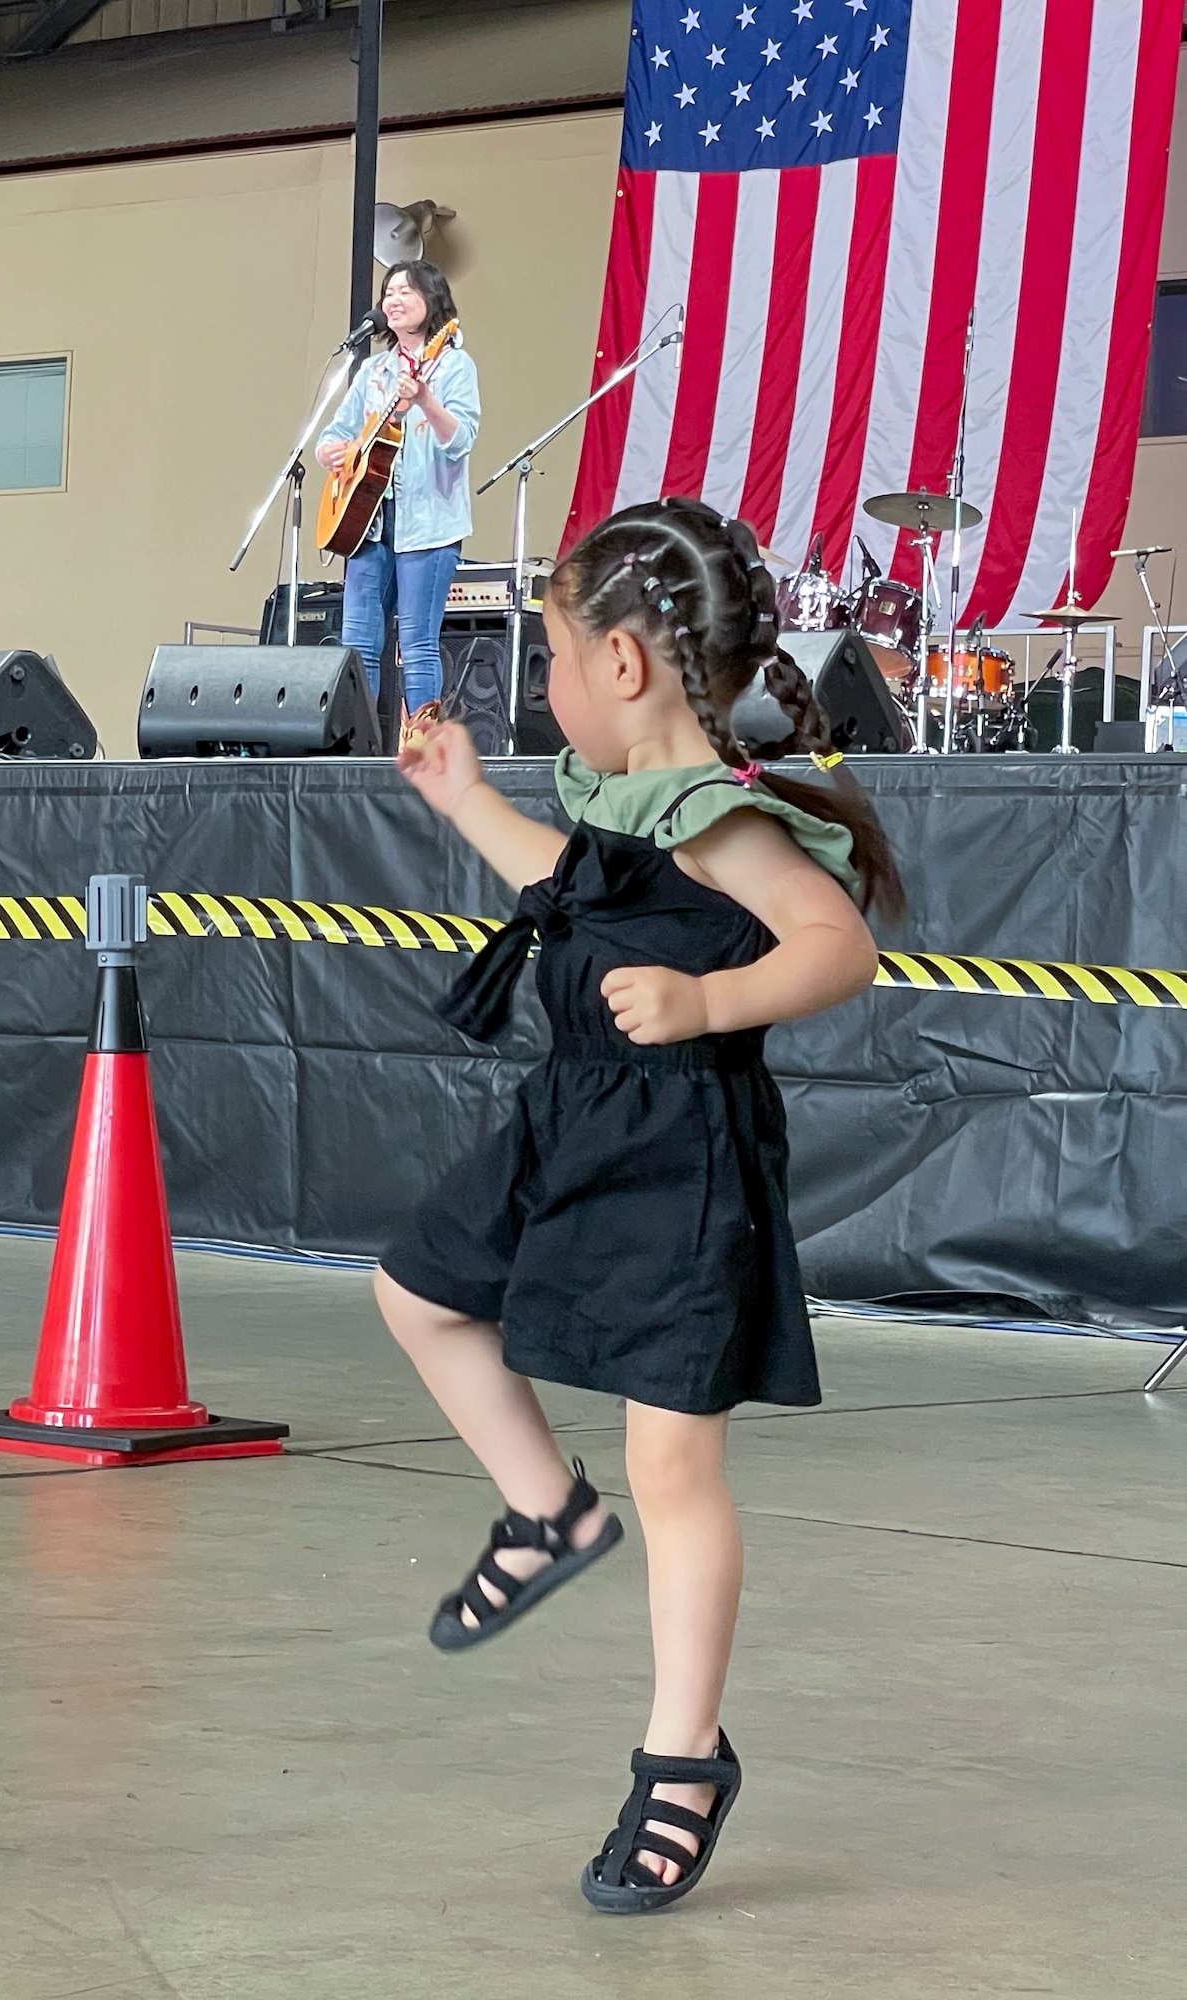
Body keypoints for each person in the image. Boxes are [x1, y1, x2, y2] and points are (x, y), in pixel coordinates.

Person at [373, 496, 904, 1913]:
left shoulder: (728, 819)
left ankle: (683, 1758)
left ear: (624, 667)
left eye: (547, 657)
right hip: (577, 1118)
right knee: (417, 1291)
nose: (540, 687)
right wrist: (465, 799)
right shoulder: (625, 805)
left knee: (676, 1468)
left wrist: (709, 999)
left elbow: (837, 946)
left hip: (683, 1156)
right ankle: (547, 1512)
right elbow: (575, 897)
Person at [315, 260, 480, 747]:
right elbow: (335, 435)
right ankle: (356, 749)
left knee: (417, 644)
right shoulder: (374, 369)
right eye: (388, 292)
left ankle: (419, 753)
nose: (393, 299)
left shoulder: (454, 365)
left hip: (428, 526)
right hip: (367, 523)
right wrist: (331, 451)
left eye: (405, 291)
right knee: (358, 643)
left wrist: (427, 401)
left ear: (433, 301)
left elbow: (460, 439)